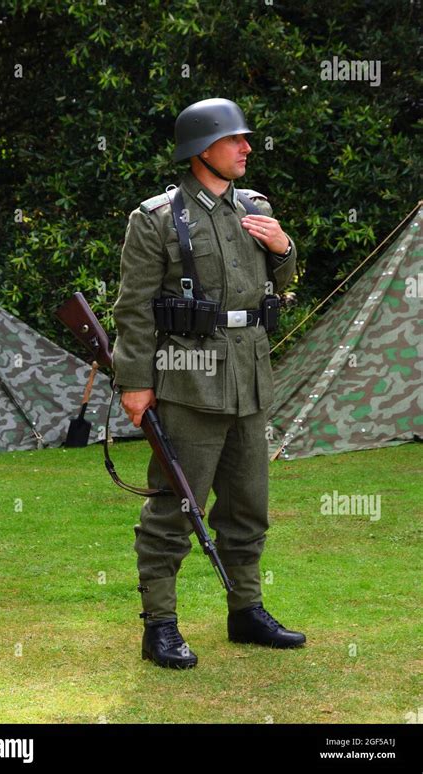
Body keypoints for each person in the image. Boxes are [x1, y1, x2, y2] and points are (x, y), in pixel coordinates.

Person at [112, 98, 306, 669]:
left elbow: (283, 282)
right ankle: (161, 626)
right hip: (188, 383)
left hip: (249, 376)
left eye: (246, 139)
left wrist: (283, 248)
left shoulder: (255, 208)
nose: (247, 148)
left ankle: (246, 610)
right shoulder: (156, 218)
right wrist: (134, 383)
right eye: (235, 140)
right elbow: (135, 310)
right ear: (202, 150)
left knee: (248, 506)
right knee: (176, 506)